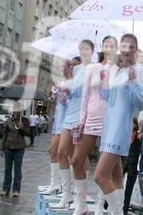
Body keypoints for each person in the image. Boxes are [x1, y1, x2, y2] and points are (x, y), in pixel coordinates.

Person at [93, 33, 143, 215]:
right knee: (116, 177)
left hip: (120, 129)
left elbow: (142, 102)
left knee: (99, 176)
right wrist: (105, 84)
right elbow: (111, 99)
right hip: (109, 126)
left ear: (136, 50)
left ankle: (116, 211)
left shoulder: (138, 71)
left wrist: (131, 83)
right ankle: (118, 211)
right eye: (124, 47)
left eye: (131, 47)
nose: (127, 51)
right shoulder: (119, 70)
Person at [71, 36, 118, 215]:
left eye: (112, 45)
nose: (109, 48)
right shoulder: (92, 68)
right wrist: (82, 120)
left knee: (105, 168)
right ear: (102, 48)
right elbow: (85, 95)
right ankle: (80, 202)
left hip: (109, 121)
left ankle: (100, 205)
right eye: (106, 45)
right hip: (91, 119)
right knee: (76, 159)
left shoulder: (119, 70)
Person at [55, 40, 93, 209]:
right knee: (61, 152)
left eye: (86, 49)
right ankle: (66, 194)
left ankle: (80, 197)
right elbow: (69, 91)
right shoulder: (75, 70)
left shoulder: (95, 68)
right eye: (81, 49)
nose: (83, 52)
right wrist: (65, 88)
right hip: (69, 115)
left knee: (78, 158)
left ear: (92, 51)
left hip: (82, 117)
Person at [41, 57, 80, 196]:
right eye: (69, 65)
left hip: (68, 121)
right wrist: (57, 91)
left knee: (65, 153)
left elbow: (73, 102)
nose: (70, 68)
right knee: (54, 151)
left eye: (73, 66)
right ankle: (56, 184)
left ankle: (69, 187)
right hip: (58, 121)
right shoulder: (63, 81)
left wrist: (63, 94)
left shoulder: (76, 82)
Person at [0, 102, 31, 197]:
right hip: (8, 147)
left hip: (19, 148)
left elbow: (29, 133)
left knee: (17, 169)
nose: (18, 111)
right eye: (16, 109)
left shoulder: (24, 121)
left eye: (19, 109)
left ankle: (16, 190)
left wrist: (22, 127)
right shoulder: (8, 121)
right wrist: (2, 148)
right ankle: (5, 189)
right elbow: (4, 135)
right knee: (7, 169)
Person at [123, 118, 143, 215]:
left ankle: (125, 210)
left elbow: (139, 138)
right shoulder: (128, 135)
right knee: (117, 184)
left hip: (135, 166)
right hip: (126, 163)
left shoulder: (140, 137)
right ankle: (109, 203)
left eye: (132, 123)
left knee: (132, 190)